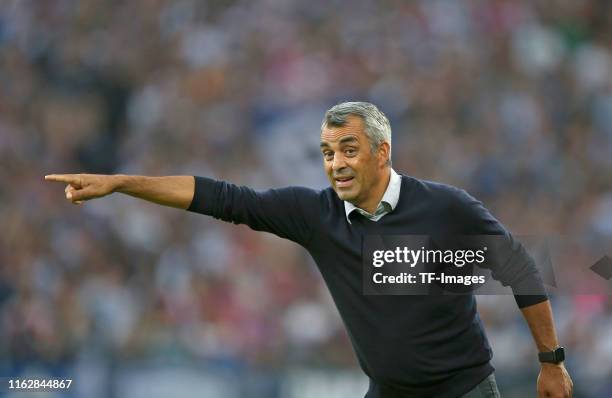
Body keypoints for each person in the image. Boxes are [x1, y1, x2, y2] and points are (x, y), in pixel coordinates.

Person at [45, 102, 573, 398]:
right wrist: (121, 182)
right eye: (326, 152)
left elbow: (520, 267)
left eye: (349, 149)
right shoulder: (315, 216)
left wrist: (551, 362)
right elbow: (222, 198)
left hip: (462, 394)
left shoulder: (446, 208)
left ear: (382, 152)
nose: (336, 163)